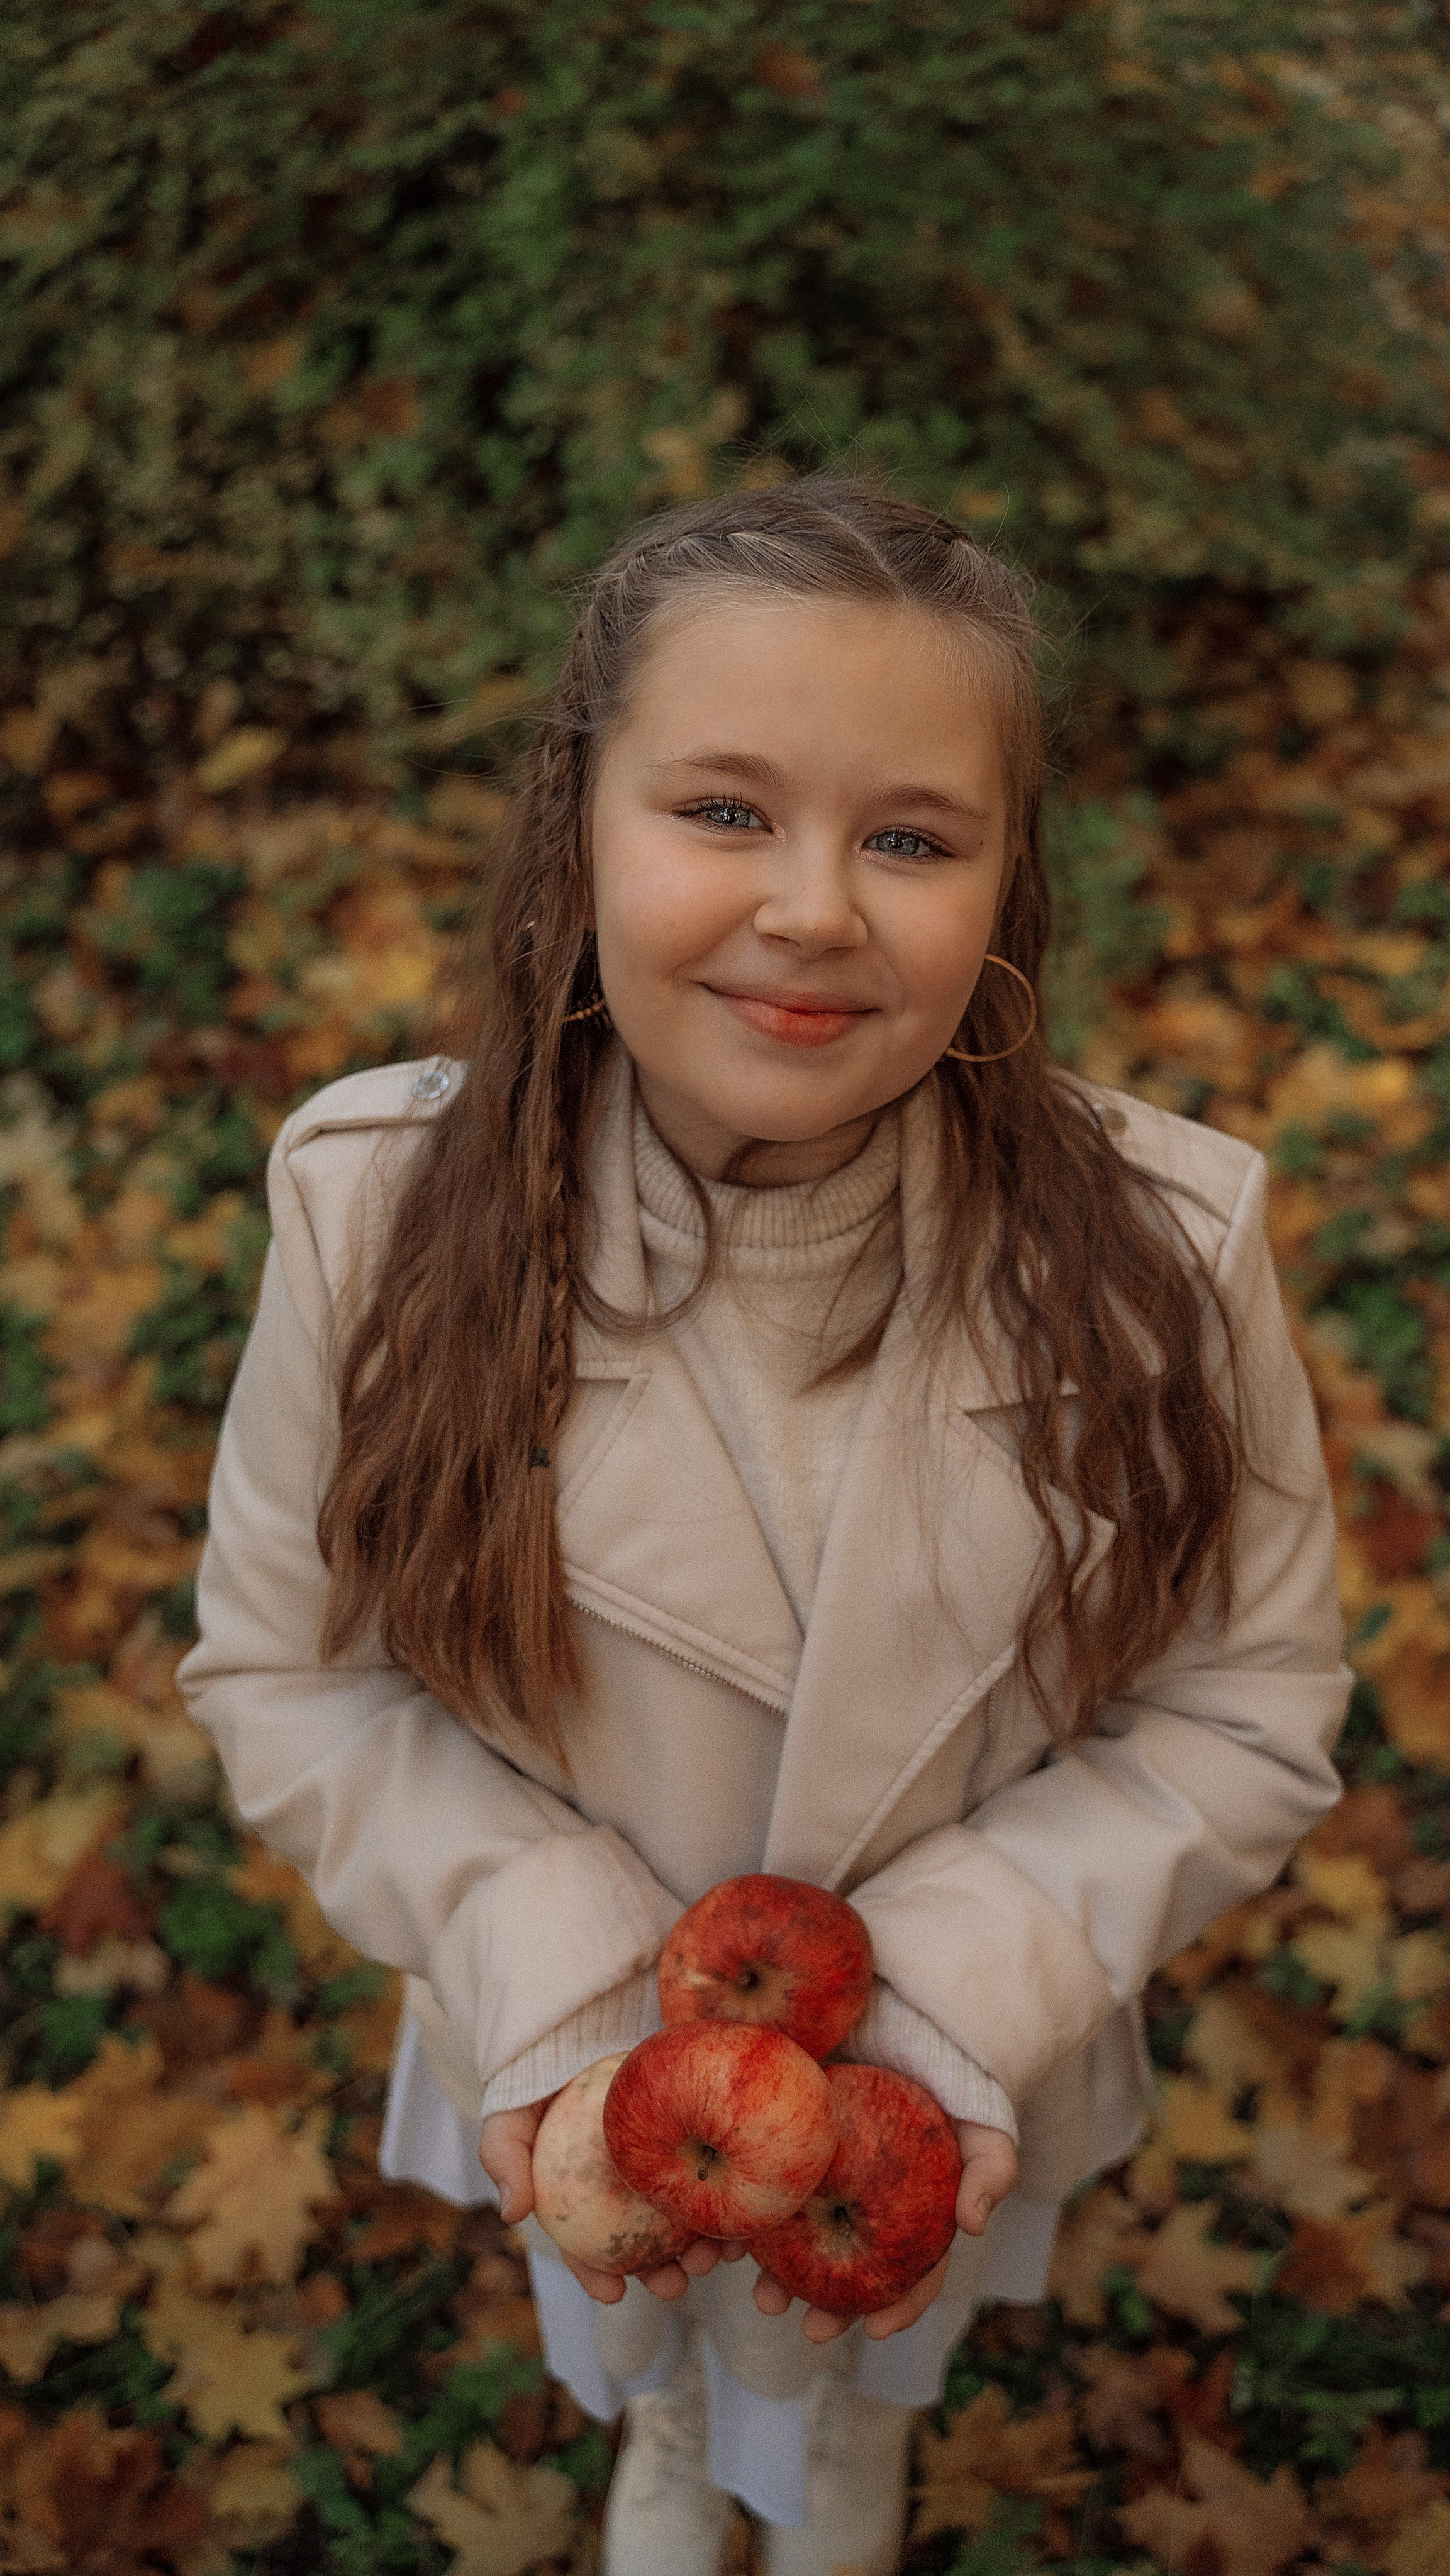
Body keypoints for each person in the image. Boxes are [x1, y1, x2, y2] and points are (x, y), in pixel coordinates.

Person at [177, 479, 1352, 2575]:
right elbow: (297, 1668)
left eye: (908, 838)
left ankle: (838, 2476)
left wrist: (961, 1988)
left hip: (952, 2053)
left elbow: (1240, 1703)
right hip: (576, 2030)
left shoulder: (1163, 1252)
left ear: (1002, 886)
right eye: (723, 810)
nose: (815, 906)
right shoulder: (376, 1219)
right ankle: (658, 2440)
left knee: (872, 2339)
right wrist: (533, 1933)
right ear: (580, 826)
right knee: (628, 2310)